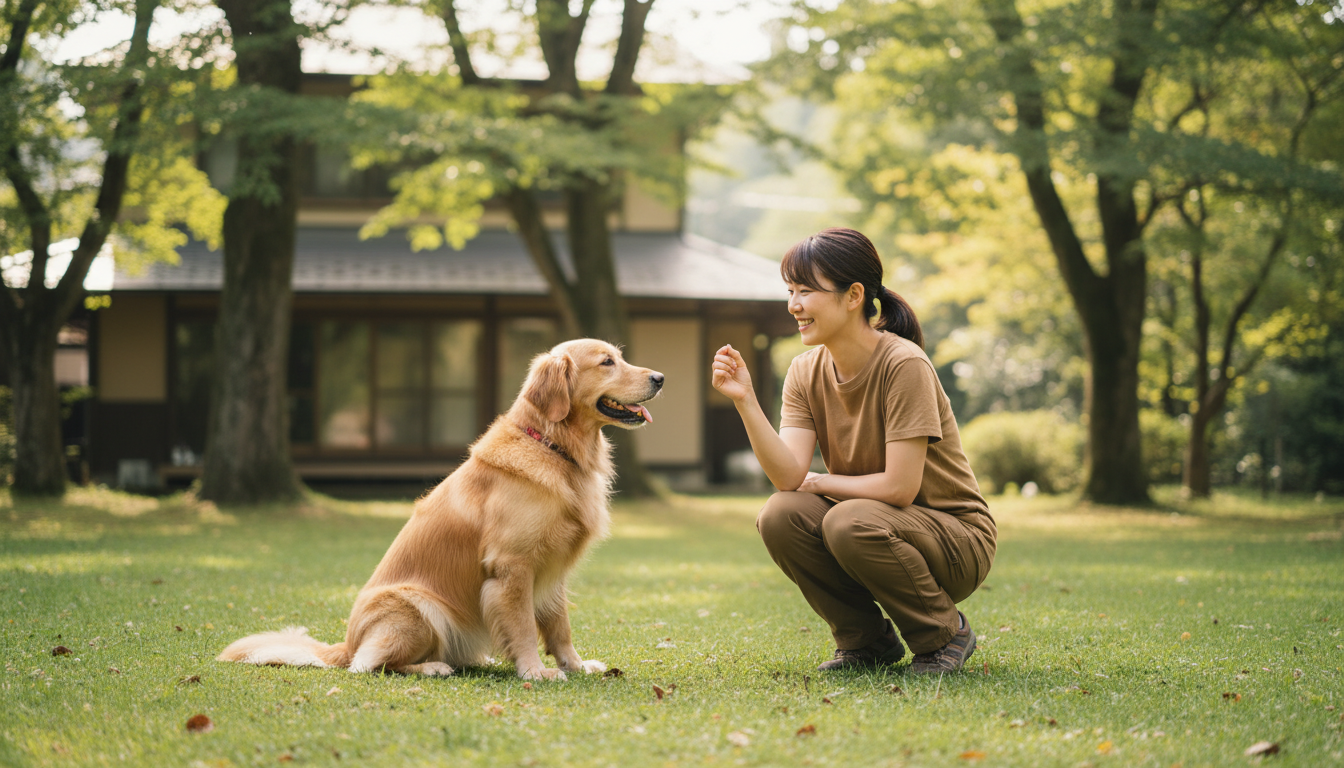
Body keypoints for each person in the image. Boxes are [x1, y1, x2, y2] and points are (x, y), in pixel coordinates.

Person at [710, 227, 995, 674]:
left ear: (853, 295)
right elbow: (787, 478)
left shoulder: (903, 364)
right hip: (874, 524)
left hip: (955, 540)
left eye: (807, 291)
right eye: (790, 291)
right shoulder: (805, 371)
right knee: (780, 514)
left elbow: (900, 488)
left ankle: (944, 633)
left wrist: (821, 482)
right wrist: (745, 400)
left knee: (846, 518)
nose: (794, 305)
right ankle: (865, 642)